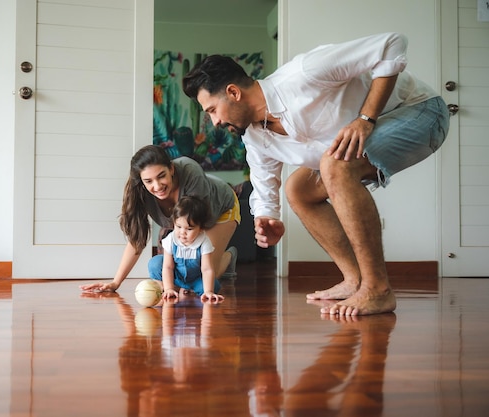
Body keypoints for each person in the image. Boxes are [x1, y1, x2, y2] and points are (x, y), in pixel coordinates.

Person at [182, 32, 450, 316]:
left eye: (213, 110)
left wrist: (365, 119)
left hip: (422, 112)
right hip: (376, 136)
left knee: (334, 165)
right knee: (298, 188)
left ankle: (377, 289)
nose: (215, 122)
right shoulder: (255, 137)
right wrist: (267, 218)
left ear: (234, 93)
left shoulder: (303, 74)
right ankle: (354, 280)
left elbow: (392, 44)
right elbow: (264, 185)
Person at [80, 145, 240, 294]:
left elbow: (197, 229)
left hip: (220, 208)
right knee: (183, 273)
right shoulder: (140, 192)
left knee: (205, 270)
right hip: (189, 223)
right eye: (148, 181)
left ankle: (227, 258)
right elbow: (137, 240)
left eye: (161, 176)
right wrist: (115, 283)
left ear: (171, 168)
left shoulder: (190, 171)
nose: (157, 186)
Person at [152, 195, 224, 302]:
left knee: (214, 286)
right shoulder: (171, 239)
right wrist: (169, 289)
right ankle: (168, 287)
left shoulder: (204, 242)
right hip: (176, 276)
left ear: (201, 229)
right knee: (155, 263)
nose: (182, 233)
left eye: (189, 229)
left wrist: (208, 291)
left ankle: (190, 288)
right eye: (178, 226)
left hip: (195, 279)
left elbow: (207, 269)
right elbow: (168, 267)